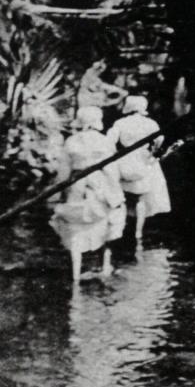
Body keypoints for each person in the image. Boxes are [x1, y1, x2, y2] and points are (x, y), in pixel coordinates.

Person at [50, 106, 127, 282]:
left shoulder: (71, 141)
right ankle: (105, 267)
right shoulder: (104, 141)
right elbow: (111, 170)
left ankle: (75, 274)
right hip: (100, 186)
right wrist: (116, 195)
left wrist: (57, 196)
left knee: (75, 227)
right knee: (108, 219)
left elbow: (63, 173)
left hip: (77, 187)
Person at [106, 95, 171, 246]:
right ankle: (138, 231)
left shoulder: (120, 123)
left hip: (125, 159)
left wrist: (114, 155)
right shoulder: (151, 123)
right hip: (143, 160)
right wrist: (152, 153)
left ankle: (123, 228)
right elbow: (159, 142)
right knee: (140, 198)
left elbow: (110, 141)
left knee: (126, 197)